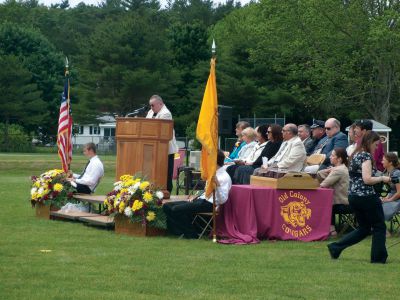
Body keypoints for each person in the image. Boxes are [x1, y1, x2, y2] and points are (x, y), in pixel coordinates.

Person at [327, 131, 390, 264]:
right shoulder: (366, 156)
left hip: (353, 197)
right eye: (376, 144)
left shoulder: (354, 155)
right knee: (379, 227)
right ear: (370, 142)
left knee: (364, 228)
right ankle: (378, 258)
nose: (377, 147)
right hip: (366, 197)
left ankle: (335, 247)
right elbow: (367, 179)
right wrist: (383, 178)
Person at [163, 150, 232, 239]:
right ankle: (178, 231)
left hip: (211, 204)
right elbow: (206, 191)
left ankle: (191, 234)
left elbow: (223, 199)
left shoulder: (224, 177)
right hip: (202, 200)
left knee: (176, 209)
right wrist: (197, 197)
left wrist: (217, 186)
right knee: (167, 206)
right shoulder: (212, 173)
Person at [146, 95, 179, 193]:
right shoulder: (151, 112)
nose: (151, 107)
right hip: (154, 148)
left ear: (160, 104)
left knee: (166, 172)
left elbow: (159, 129)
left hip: (166, 149)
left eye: (153, 105)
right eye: (150, 105)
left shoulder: (166, 113)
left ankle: (167, 191)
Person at [316, 148, 349, 237]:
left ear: (339, 159)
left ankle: (332, 230)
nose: (330, 157)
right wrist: (329, 170)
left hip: (342, 204)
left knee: (324, 204)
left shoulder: (338, 170)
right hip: (342, 202)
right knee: (327, 203)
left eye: (333, 155)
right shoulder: (340, 168)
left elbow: (324, 184)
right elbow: (319, 174)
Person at [381, 152, 400, 221]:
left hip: (397, 200)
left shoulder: (396, 174)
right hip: (392, 196)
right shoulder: (387, 172)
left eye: (383, 160)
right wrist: (385, 197)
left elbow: (399, 193)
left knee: (379, 211)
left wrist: (388, 200)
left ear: (390, 162)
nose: (381, 161)